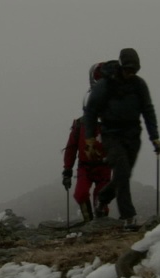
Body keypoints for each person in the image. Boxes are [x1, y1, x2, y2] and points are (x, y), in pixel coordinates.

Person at [82, 48, 160, 231]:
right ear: (120, 65)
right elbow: (91, 111)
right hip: (111, 135)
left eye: (134, 70)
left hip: (133, 135)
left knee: (122, 175)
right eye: (127, 69)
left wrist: (155, 137)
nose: (130, 73)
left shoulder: (139, 85)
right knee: (122, 172)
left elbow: (148, 110)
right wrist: (89, 139)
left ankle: (102, 198)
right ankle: (128, 217)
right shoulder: (105, 85)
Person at [62, 63, 112, 222]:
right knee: (81, 194)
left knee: (101, 199)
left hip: (104, 166)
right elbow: (71, 148)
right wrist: (67, 171)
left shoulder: (110, 122)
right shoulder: (80, 125)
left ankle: (99, 223)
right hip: (86, 166)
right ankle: (89, 222)